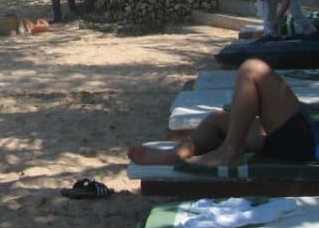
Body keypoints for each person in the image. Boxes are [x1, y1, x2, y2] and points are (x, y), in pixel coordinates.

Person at [128, 59, 319, 167]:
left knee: (252, 70)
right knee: (216, 120)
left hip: (310, 142)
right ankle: (173, 155)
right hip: (307, 136)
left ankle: (231, 151)